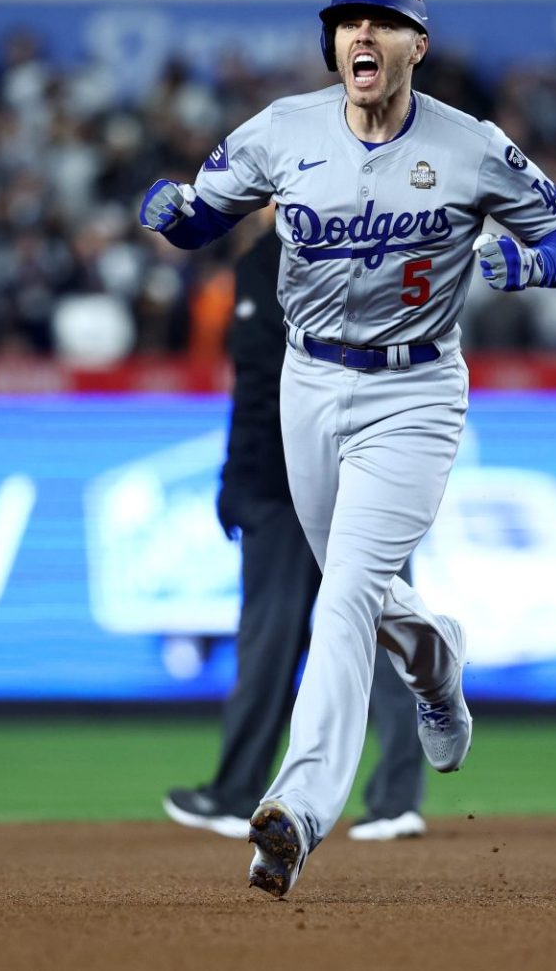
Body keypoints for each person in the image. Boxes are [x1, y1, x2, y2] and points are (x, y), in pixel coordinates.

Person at [140, 0, 556, 897]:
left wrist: (526, 266)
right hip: (306, 381)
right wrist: (173, 216)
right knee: (371, 588)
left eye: (383, 22)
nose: (362, 35)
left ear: (413, 46)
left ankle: (297, 812)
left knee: (343, 593)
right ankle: (440, 669)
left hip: (416, 392)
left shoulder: (470, 147)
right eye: (348, 21)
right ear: (332, 43)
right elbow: (200, 222)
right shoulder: (282, 132)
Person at [164, 223, 426, 842]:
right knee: (386, 628)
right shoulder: (375, 240)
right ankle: (397, 800)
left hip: (286, 484)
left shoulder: (268, 258)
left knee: (271, 639)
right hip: (371, 472)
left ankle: (236, 794)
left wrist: (236, 478)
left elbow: (258, 384)